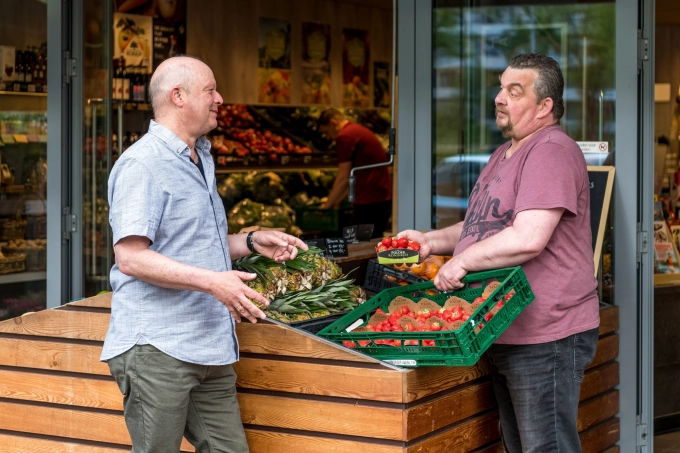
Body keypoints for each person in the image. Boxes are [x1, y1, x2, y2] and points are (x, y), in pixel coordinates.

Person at [101, 55, 307, 453]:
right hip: (158, 348)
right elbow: (131, 257)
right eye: (210, 90)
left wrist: (251, 240)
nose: (220, 98)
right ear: (178, 96)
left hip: (207, 345)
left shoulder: (200, 158)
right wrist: (214, 282)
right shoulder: (143, 165)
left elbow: (194, 243)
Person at [398, 53, 600, 453]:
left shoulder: (551, 151)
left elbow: (527, 237)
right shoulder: (504, 154)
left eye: (514, 91)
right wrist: (431, 241)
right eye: (500, 87)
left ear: (545, 106)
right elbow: (483, 228)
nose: (499, 98)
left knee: (546, 448)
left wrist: (462, 262)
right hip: (505, 327)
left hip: (548, 334)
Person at [317, 108, 392, 238]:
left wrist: (326, 207)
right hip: (380, 198)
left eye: (326, 132)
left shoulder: (345, 136)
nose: (328, 137)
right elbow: (355, 176)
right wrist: (338, 200)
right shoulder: (357, 130)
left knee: (357, 245)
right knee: (370, 244)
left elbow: (343, 177)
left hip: (369, 201)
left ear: (333, 123)